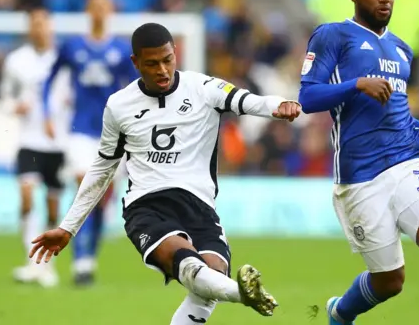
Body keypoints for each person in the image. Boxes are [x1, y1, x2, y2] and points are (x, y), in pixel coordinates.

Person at [30, 22, 302, 323]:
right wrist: (68, 227)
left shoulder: (203, 88)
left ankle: (238, 291)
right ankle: (244, 293)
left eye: (167, 59)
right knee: (190, 266)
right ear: (135, 63)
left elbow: (250, 101)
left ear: (175, 54)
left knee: (209, 284)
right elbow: (102, 169)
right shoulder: (119, 106)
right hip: (147, 207)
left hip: (200, 207)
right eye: (152, 63)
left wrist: (281, 105)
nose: (162, 69)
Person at [297, 0, 419, 324]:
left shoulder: (402, 49)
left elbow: (393, 110)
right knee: (390, 281)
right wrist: (356, 84)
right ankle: (341, 312)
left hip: (408, 160)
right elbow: (308, 97)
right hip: (360, 176)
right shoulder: (332, 36)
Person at [41, 0, 138, 286]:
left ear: (110, 11)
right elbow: (49, 79)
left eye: (103, 7)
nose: (98, 11)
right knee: (85, 187)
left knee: (102, 199)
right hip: (80, 132)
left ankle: (88, 259)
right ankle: (80, 257)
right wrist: (48, 113)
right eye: (94, 6)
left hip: (112, 134)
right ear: (88, 10)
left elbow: (135, 87)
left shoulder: (121, 51)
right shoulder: (72, 47)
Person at [0, 8, 70, 288]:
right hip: (28, 140)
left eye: (43, 24)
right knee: (27, 195)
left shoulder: (63, 59)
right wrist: (13, 106)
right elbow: (5, 95)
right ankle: (31, 263)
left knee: (53, 206)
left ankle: (47, 266)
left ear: (50, 27)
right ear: (29, 29)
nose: (39, 29)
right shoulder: (16, 61)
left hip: (57, 142)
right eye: (34, 24)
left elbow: (74, 94)